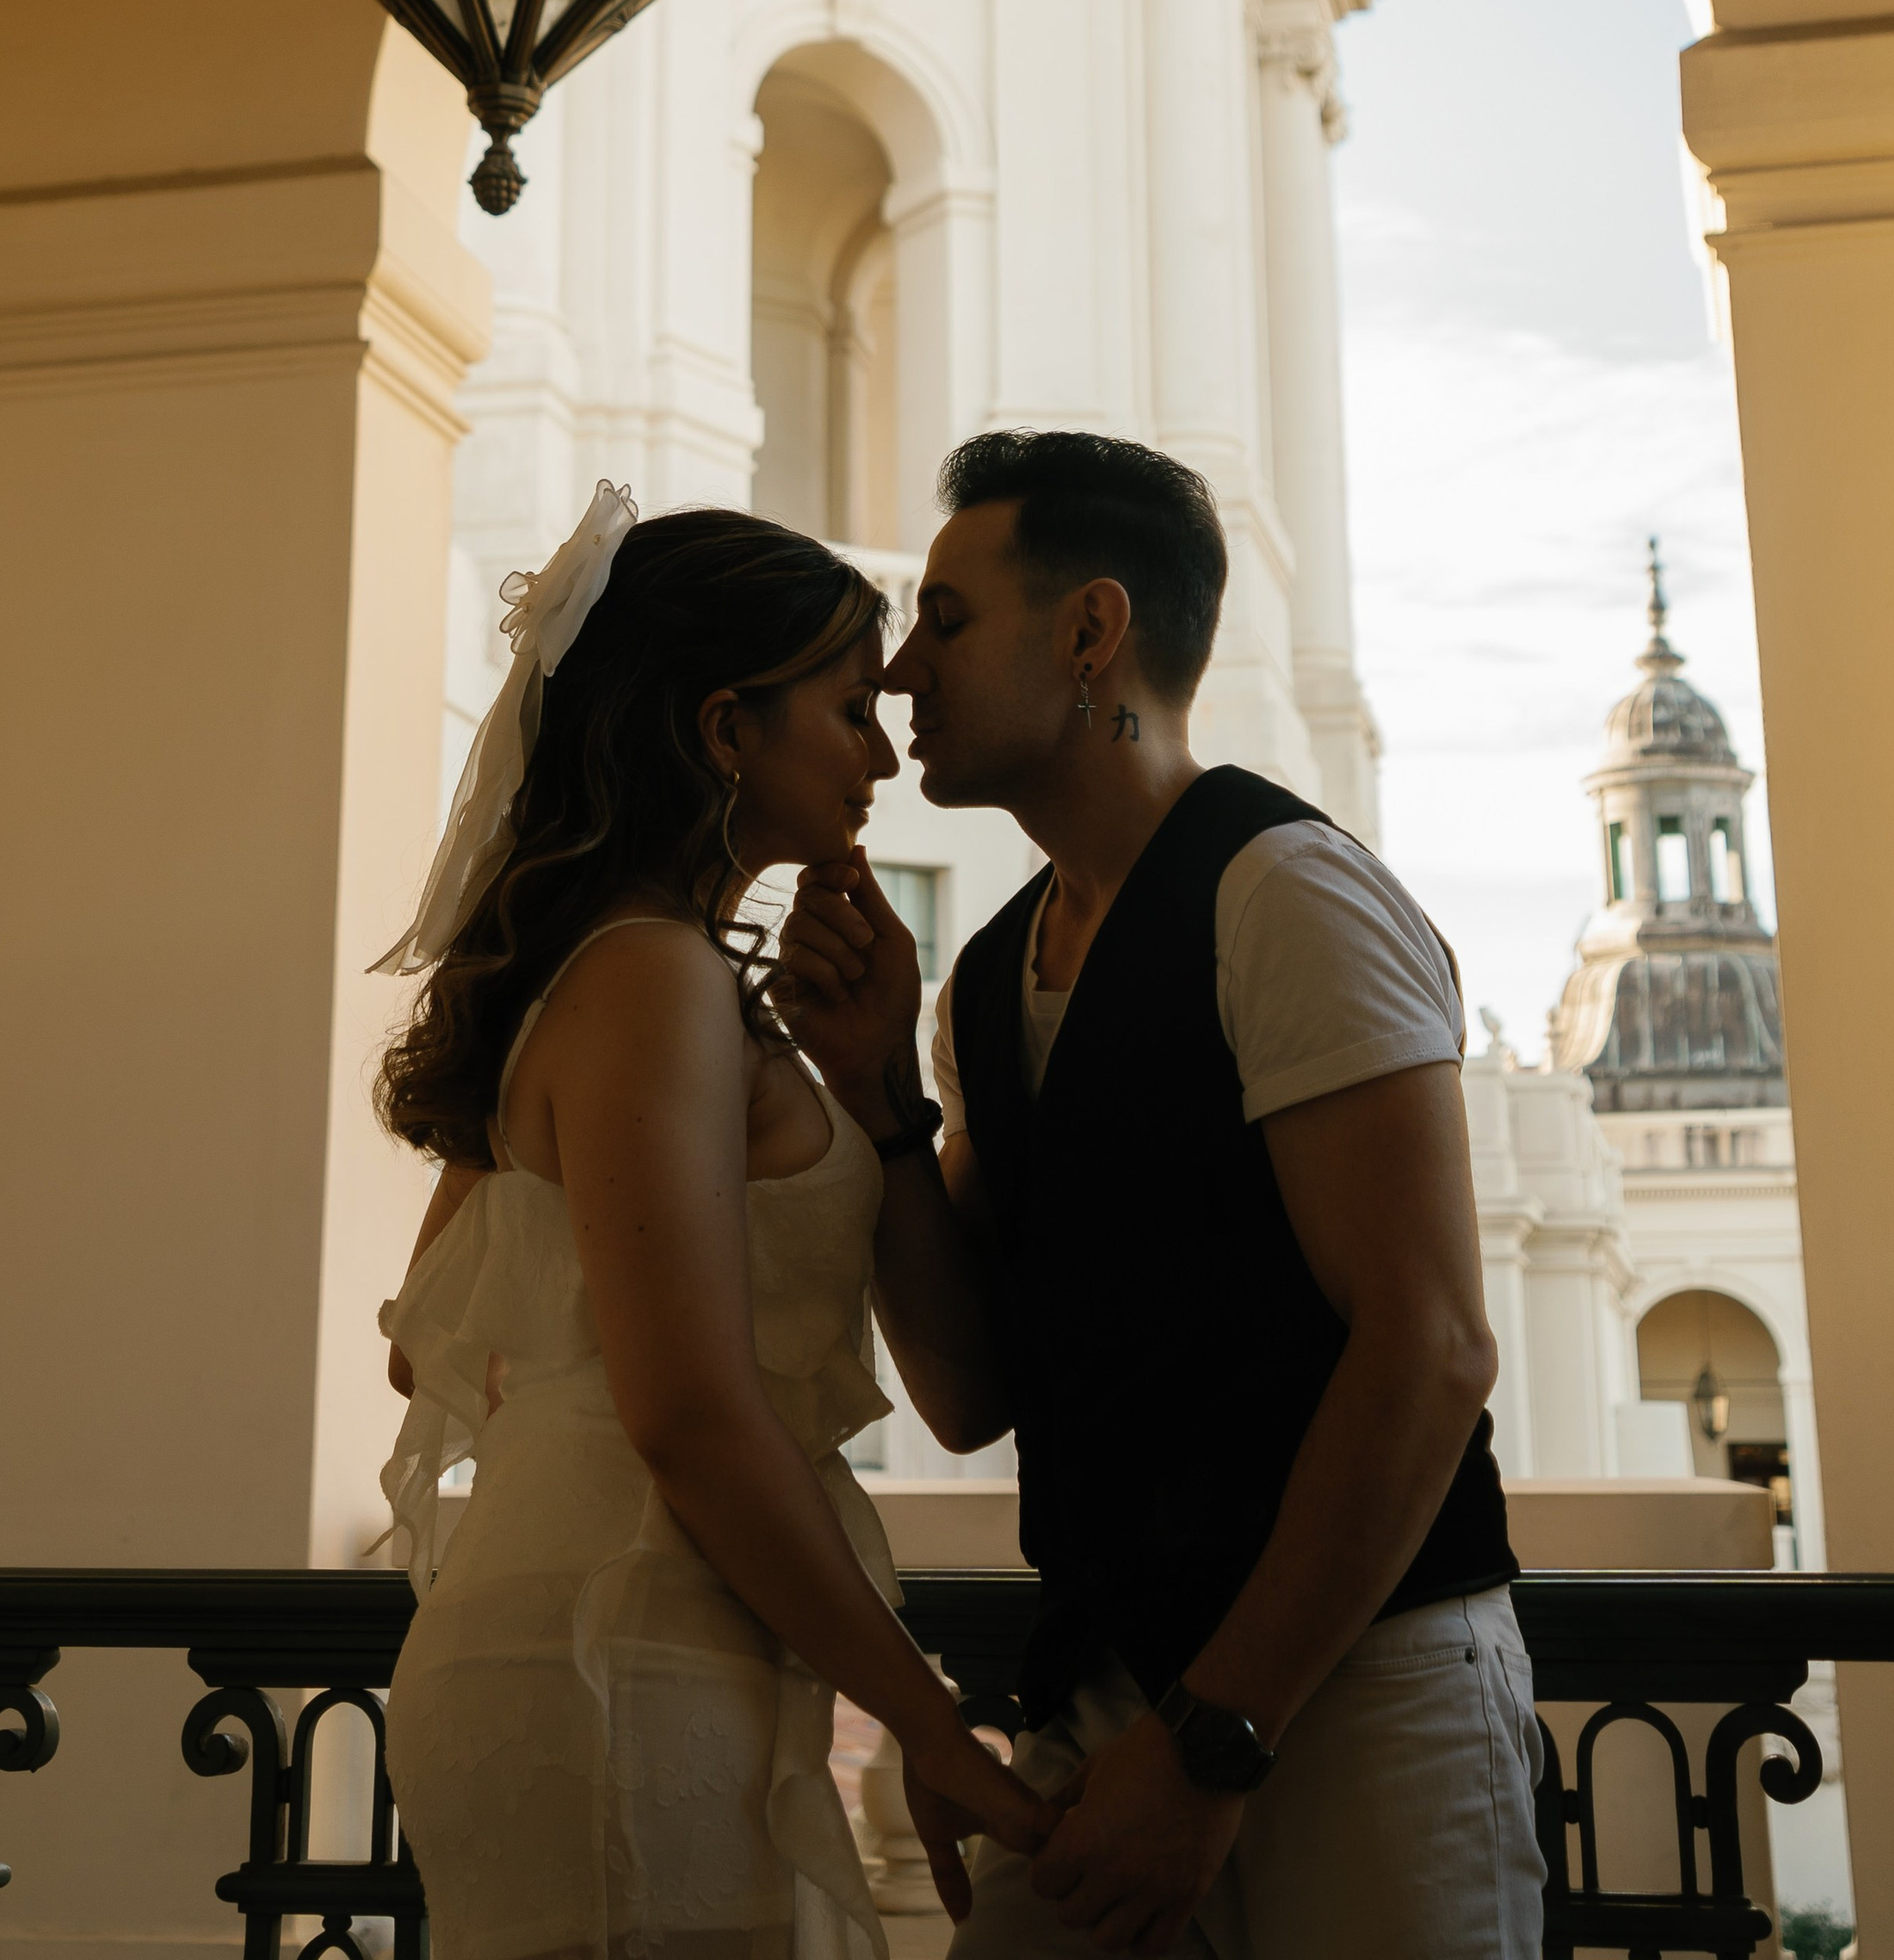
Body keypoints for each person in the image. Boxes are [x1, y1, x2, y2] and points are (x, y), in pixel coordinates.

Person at [780, 431, 1547, 1960]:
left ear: (1089, 633)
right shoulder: (992, 978)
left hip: (1363, 1689)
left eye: (943, 620)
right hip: (1108, 1692)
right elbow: (969, 1390)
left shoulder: (1290, 898)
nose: (901, 677)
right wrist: (875, 1103)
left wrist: (1217, 1739)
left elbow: (1433, 1345)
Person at [373, 485, 1044, 1960]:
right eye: (850, 710)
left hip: (625, 1630)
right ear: (726, 729)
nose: (884, 751)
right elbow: (690, 1413)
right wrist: (931, 1725)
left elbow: (428, 1341)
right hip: (619, 1650)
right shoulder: (650, 980)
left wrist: (869, 1086)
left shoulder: (625, 975)